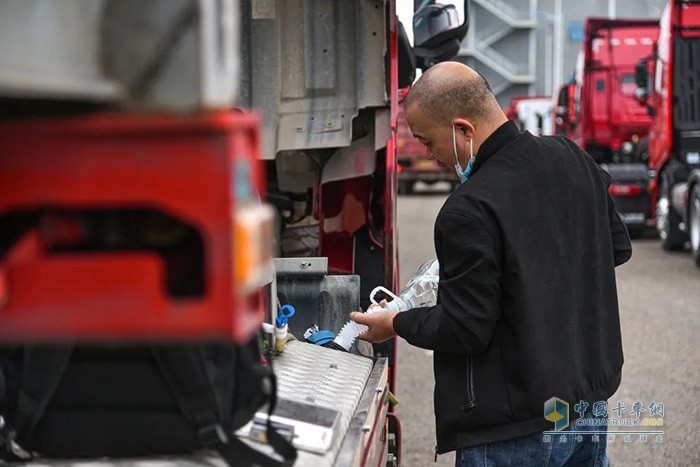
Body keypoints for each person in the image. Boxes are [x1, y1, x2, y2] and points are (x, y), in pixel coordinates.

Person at [351, 62, 632, 467]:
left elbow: (465, 327)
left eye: (428, 142)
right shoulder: (573, 157)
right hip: (586, 408)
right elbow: (615, 250)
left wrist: (395, 323)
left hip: (514, 431)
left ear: (463, 130)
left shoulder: (468, 211)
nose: (429, 155)